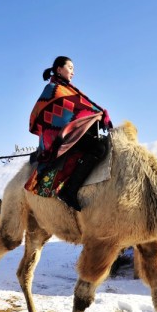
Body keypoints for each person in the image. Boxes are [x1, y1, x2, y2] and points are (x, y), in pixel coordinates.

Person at [27, 56, 112, 211]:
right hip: (61, 137)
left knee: (100, 143)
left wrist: (96, 116)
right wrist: (95, 114)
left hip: (71, 133)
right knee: (98, 148)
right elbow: (71, 112)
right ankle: (70, 191)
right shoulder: (52, 89)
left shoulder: (66, 88)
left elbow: (80, 109)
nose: (73, 72)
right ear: (59, 69)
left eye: (74, 69)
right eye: (70, 67)